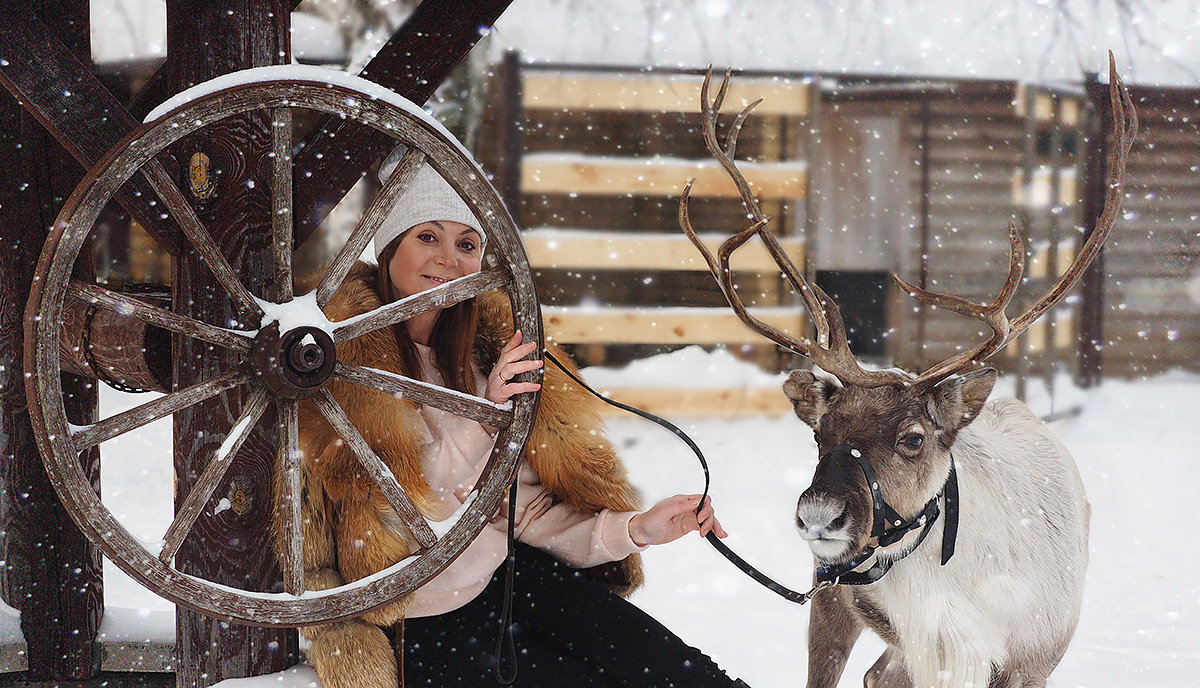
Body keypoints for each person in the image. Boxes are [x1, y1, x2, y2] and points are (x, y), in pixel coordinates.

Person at [291, 160, 751, 688]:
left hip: (507, 581)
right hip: (417, 616)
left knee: (687, 676)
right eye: (427, 237)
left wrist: (634, 529)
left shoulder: (479, 355)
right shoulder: (335, 362)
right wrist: (486, 419)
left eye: (467, 244)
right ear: (389, 248)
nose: (448, 259)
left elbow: (524, 513)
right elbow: (398, 511)